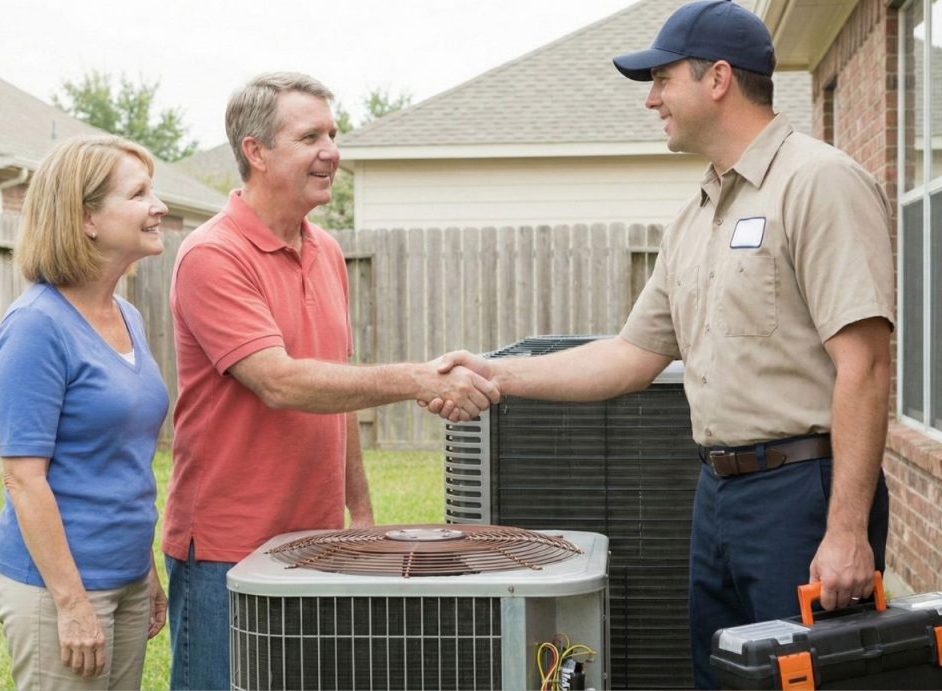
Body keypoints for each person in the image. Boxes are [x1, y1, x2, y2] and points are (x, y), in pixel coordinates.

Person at [429, 2, 893, 687]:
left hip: (803, 495)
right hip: (718, 497)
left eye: (661, 79)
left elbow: (867, 362)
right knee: (724, 675)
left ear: (718, 80)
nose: (650, 99)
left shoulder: (818, 182)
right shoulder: (697, 216)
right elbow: (630, 354)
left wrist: (846, 529)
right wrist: (496, 373)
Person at [163, 71, 499, 690]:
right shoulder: (214, 255)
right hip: (226, 547)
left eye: (333, 134)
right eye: (309, 135)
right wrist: (415, 378)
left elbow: (335, 394)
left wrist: (362, 513)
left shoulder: (324, 251)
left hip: (317, 539)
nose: (331, 151)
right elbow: (281, 383)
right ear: (256, 152)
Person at [0, 135, 171, 690]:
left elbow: (122, 463)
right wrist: (71, 604)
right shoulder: (36, 327)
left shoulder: (128, 317)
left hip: (127, 576)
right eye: (139, 193)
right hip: (59, 588)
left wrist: (146, 573)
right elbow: (23, 478)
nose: (158, 205)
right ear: (87, 218)